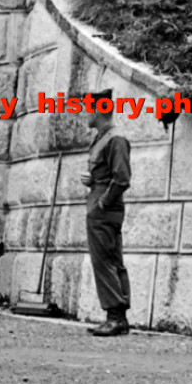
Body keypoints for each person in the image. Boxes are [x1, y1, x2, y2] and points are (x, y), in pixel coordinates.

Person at [82, 87, 133, 336]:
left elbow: (122, 178)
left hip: (104, 209)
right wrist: (91, 181)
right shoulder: (105, 137)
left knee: (105, 262)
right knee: (110, 260)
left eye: (88, 109)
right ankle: (118, 317)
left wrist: (102, 201)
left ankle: (115, 317)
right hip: (101, 203)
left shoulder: (115, 139)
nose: (85, 113)